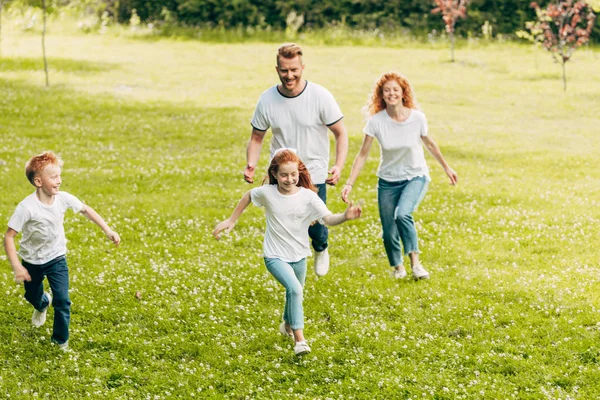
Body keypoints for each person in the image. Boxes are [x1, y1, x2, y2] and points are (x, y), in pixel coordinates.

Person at [214, 149, 361, 356]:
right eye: (284, 175)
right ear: (274, 174)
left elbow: (327, 219)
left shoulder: (308, 197)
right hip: (274, 256)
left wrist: (345, 216)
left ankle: (287, 325)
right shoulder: (268, 193)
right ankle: (300, 340)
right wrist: (232, 219)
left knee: (295, 292)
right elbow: (248, 195)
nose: (289, 179)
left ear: (299, 173)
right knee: (296, 290)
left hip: (299, 255)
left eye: (293, 174)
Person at [244, 43, 349, 277]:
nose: (289, 75)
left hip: (313, 171)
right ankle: (285, 264)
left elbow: (340, 133)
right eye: (284, 70)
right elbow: (257, 137)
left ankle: (321, 248)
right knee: (284, 221)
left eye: (294, 70)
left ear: (302, 67)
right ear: (277, 69)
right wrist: (251, 163)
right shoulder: (267, 99)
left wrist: (338, 166)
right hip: (280, 173)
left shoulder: (320, 96)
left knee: (316, 225)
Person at [341, 72, 457, 280]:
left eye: (396, 90)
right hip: (387, 180)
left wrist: (447, 168)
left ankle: (416, 264)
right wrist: (349, 183)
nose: (392, 93)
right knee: (388, 230)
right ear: (381, 95)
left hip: (415, 175)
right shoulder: (376, 122)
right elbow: (362, 154)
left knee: (403, 214)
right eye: (387, 90)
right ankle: (398, 267)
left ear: (403, 93)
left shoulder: (417, 118)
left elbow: (430, 144)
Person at [4, 151, 120, 351]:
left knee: (63, 300)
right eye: (54, 177)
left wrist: (107, 229)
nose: (59, 180)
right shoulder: (27, 207)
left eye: (59, 176)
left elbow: (86, 210)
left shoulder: (63, 198)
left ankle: (60, 341)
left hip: (56, 257)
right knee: (32, 296)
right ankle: (42, 303)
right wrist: (17, 266)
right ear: (39, 182)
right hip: (32, 261)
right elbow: (9, 236)